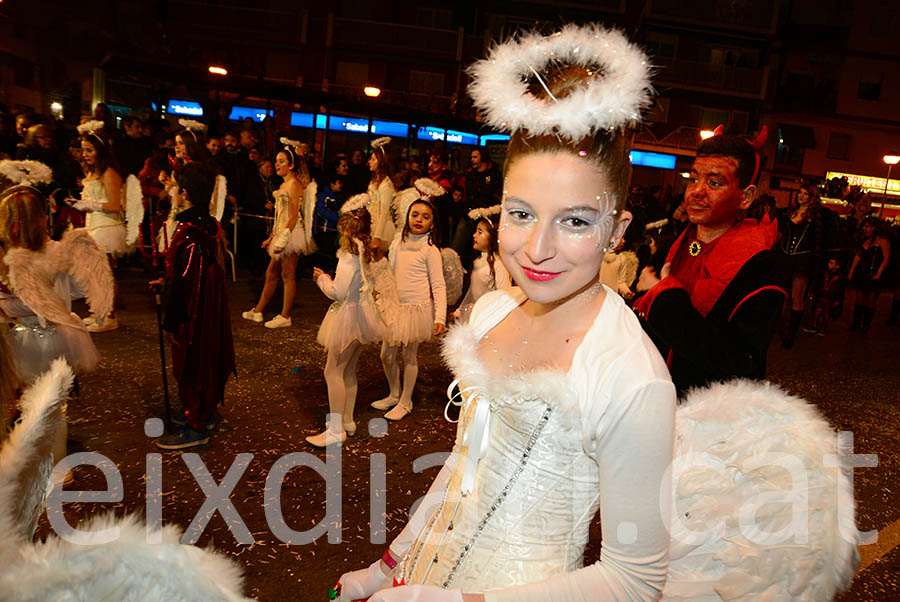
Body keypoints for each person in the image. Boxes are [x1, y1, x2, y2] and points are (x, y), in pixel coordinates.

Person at [335, 25, 857, 602]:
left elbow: (633, 580)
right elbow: (463, 471)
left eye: (576, 220)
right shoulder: (488, 312)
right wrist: (390, 566)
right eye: (521, 213)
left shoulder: (630, 375)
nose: (537, 249)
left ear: (617, 231)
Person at [634, 126, 787, 394]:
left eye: (715, 183)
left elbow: (741, 365)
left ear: (746, 197)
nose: (697, 192)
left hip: (706, 415)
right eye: (693, 180)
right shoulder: (675, 243)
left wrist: (664, 299)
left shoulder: (761, 265)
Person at [0, 174, 113, 466]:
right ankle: (53, 463)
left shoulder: (10, 259)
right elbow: (76, 289)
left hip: (26, 340)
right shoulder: (57, 250)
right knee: (52, 405)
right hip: (60, 337)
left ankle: (46, 464)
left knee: (34, 403)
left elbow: (19, 307)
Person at [155, 162, 235, 450]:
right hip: (207, 313)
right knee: (204, 360)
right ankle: (202, 412)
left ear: (185, 193)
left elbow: (184, 282)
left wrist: (171, 321)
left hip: (192, 315)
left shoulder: (187, 233)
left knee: (191, 364)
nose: (169, 190)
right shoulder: (209, 225)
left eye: (174, 186)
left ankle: (195, 424)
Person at [307, 200, 381, 447]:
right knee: (348, 370)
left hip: (348, 317)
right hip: (361, 317)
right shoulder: (363, 253)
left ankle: (336, 429)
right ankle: (347, 420)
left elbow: (338, 292)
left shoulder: (349, 258)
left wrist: (322, 279)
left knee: (333, 371)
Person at [371, 199, 446, 421]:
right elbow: (390, 272)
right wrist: (380, 293)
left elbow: (438, 284)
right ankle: (394, 393)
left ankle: (406, 401)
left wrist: (439, 316)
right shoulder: (398, 243)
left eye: (425, 217)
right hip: (396, 306)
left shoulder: (430, 250)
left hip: (416, 309)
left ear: (432, 224)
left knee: (409, 355)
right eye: (415, 215)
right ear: (408, 217)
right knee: (386, 354)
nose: (419, 220)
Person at [242, 138, 316, 329]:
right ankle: (258, 311)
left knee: (287, 275)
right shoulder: (283, 185)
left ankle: (285, 315)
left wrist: (282, 240)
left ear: (291, 165)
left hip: (291, 234)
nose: (277, 165)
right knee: (271, 273)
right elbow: (280, 215)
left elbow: (293, 217)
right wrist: (271, 237)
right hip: (282, 232)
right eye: (276, 161)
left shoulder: (293, 185)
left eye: (282, 161)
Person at [72, 121, 126, 332]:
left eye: (89, 150)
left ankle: (110, 316)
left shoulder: (109, 173)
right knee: (96, 274)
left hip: (106, 229)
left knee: (105, 274)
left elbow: (114, 205)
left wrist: (91, 204)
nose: (85, 154)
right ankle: (100, 312)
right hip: (93, 227)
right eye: (83, 150)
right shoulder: (91, 174)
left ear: (100, 151)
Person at [776, 182, 824, 347]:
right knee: (779, 294)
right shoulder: (790, 212)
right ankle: (775, 326)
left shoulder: (815, 217)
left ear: (812, 198)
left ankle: (791, 335)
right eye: (800, 193)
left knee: (797, 297)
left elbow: (818, 242)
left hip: (802, 260)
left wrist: (816, 265)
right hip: (785, 257)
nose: (801, 196)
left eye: (805, 194)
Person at [449, 205, 511, 323]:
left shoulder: (499, 265)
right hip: (473, 314)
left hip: (487, 317)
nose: (474, 235)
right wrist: (459, 311)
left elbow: (505, 296)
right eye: (476, 231)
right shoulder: (478, 261)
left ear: (493, 237)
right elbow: (472, 292)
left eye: (480, 232)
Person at [452, 148, 502, 264]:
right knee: (457, 246)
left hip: (485, 216)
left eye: (475, 157)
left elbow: (497, 196)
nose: (472, 160)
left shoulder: (494, 174)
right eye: (471, 157)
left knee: (481, 250)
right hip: (469, 214)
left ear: (483, 157)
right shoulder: (469, 174)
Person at [847, 216, 890, 332]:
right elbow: (858, 256)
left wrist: (879, 273)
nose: (865, 229)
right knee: (859, 298)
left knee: (870, 300)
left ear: (874, 228)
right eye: (864, 226)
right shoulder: (865, 240)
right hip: (863, 272)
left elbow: (886, 258)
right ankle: (856, 324)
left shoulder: (883, 241)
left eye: (867, 227)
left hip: (874, 272)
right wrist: (851, 271)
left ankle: (865, 326)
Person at [803, 255, 847, 335]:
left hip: (831, 298)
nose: (828, 264)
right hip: (821, 296)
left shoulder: (840, 278)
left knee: (826, 313)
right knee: (817, 311)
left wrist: (838, 300)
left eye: (831, 263)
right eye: (829, 262)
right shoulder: (824, 274)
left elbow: (841, 290)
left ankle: (823, 328)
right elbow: (818, 283)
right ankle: (814, 325)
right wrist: (813, 292)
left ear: (837, 266)